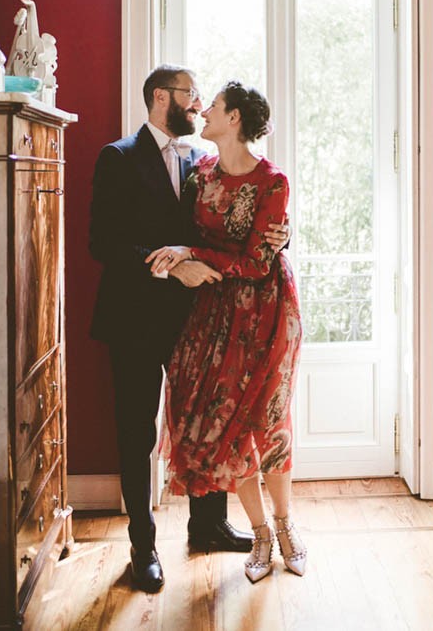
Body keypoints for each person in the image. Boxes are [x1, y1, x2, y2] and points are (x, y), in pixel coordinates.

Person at [89, 65, 288, 593]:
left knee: (207, 418)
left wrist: (278, 237)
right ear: (160, 97)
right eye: (189, 94)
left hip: (196, 318)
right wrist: (171, 265)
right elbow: (102, 244)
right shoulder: (118, 157)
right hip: (132, 317)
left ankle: (208, 525)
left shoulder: (201, 164)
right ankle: (142, 546)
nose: (198, 104)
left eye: (204, 98)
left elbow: (233, 224)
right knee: (138, 431)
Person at [146, 81, 306, 583]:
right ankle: (258, 534)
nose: (203, 111)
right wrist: (187, 255)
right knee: (225, 429)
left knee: (269, 422)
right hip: (211, 314)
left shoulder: (272, 181)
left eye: (212, 106)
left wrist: (194, 255)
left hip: (267, 312)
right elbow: (189, 234)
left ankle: (285, 527)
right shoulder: (200, 174)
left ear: (234, 118)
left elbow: (259, 261)